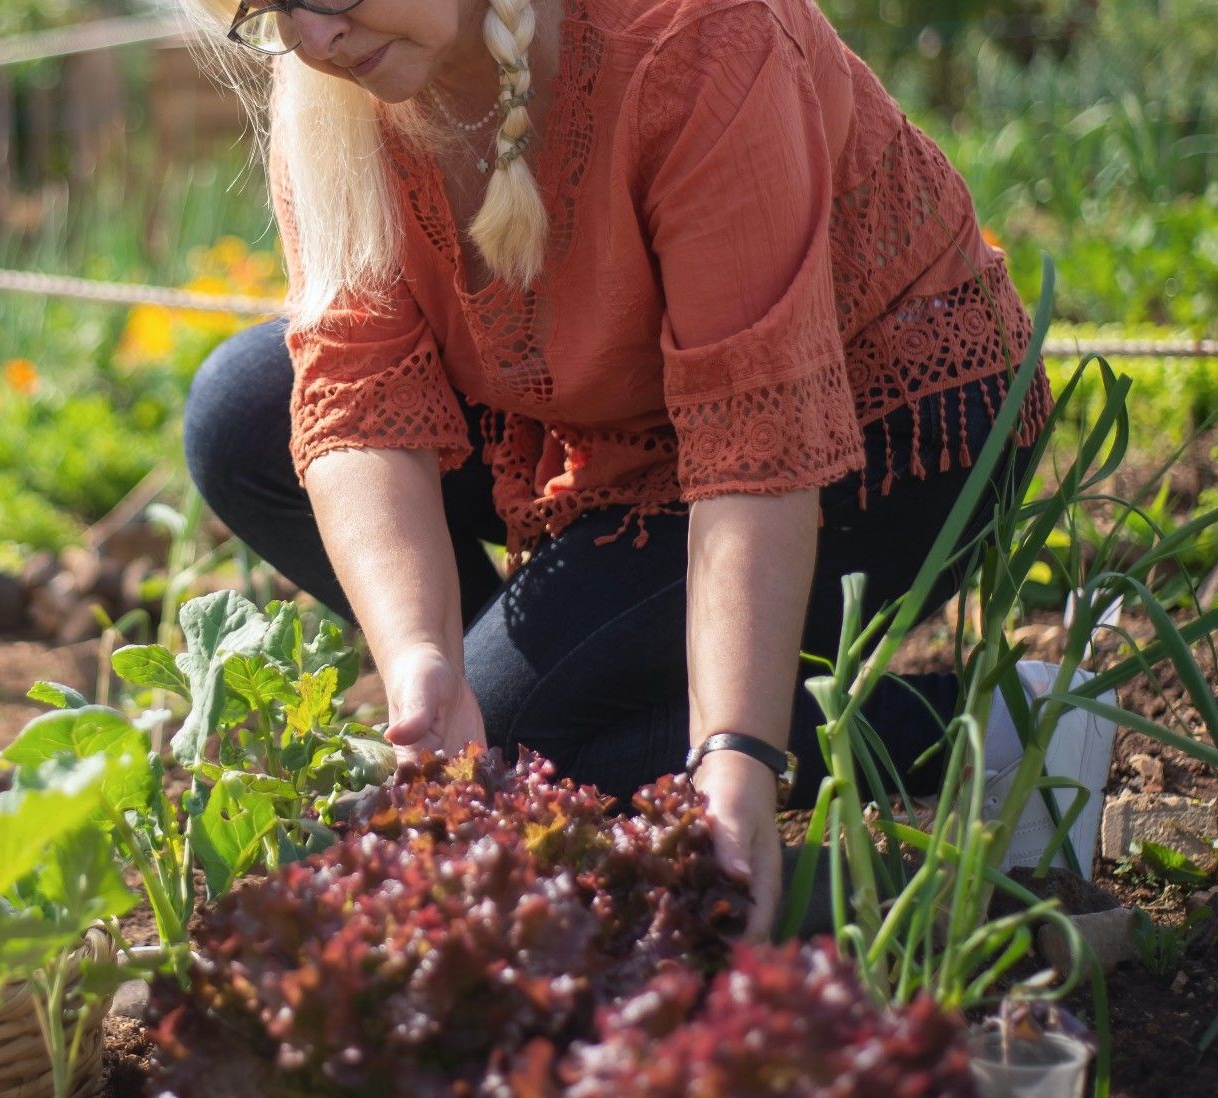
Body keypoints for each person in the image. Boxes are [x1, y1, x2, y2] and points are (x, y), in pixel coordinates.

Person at [180, 0, 1116, 938]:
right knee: (244, 415)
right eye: (265, 10)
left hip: (881, 426)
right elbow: (358, 378)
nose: (314, 39)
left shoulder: (699, 38)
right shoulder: (334, 85)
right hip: (617, 411)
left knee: (522, 749)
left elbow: (755, 444)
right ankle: (537, 705)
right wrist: (424, 657)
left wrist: (736, 753)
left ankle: (999, 729)